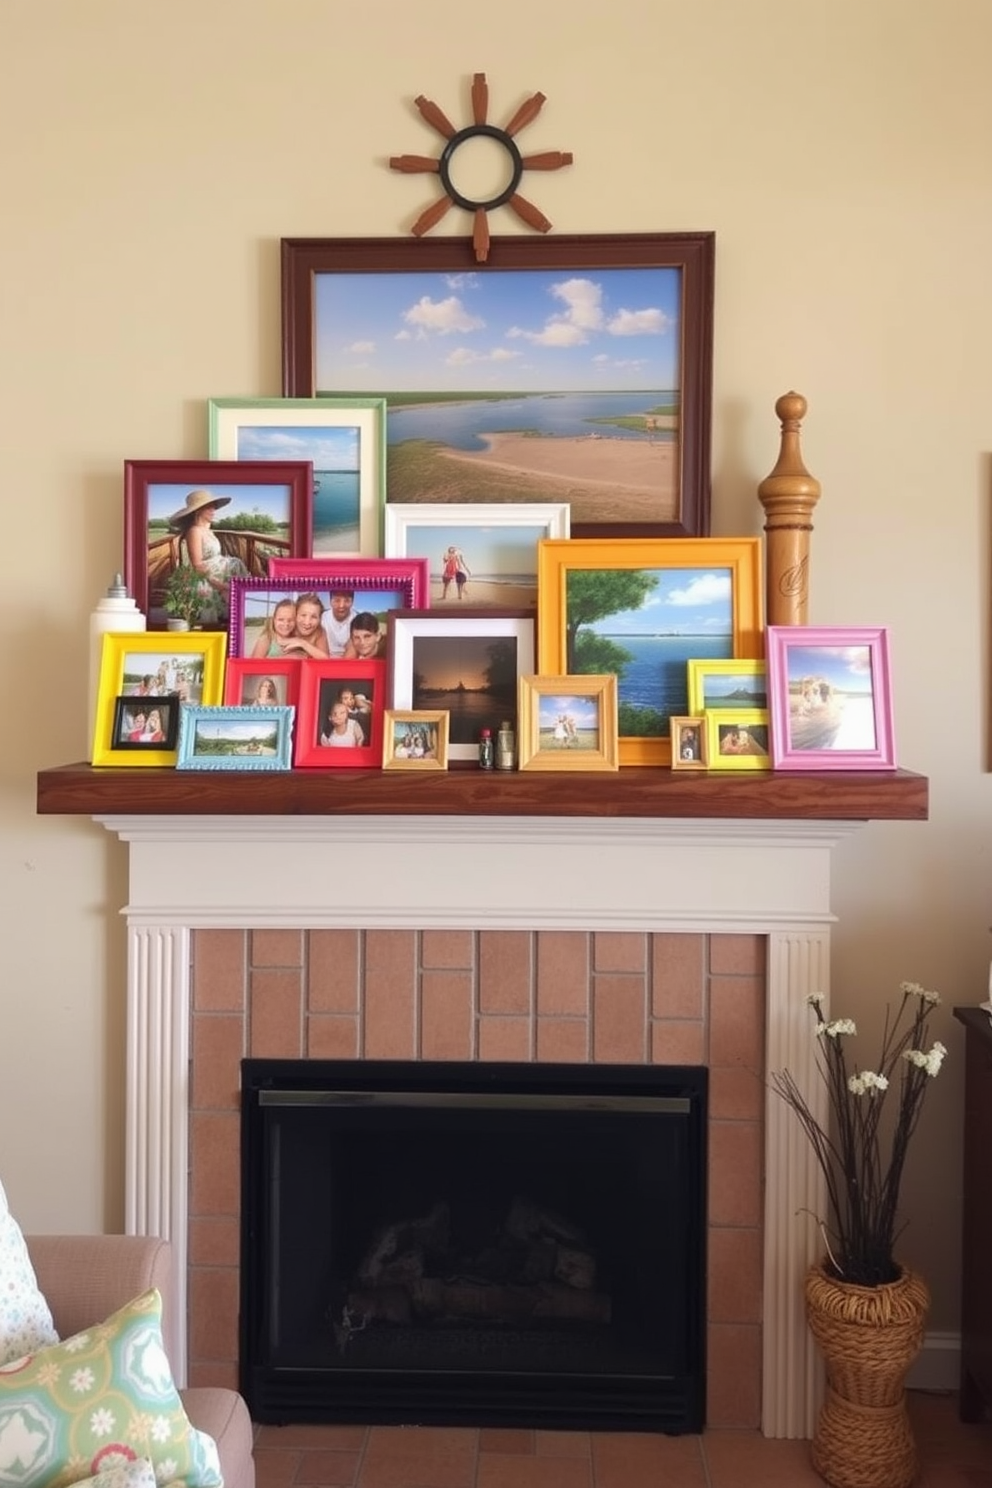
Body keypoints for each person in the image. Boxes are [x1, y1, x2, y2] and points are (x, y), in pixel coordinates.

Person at [167, 489, 249, 626]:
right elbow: (197, 565)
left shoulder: (208, 530)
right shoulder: (194, 531)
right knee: (223, 590)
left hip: (220, 573)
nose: (214, 510)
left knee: (236, 567)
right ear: (198, 510)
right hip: (207, 577)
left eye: (214, 506)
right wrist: (221, 586)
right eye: (209, 507)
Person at [285, 593, 330, 658]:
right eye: (303, 615)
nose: (307, 622)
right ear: (295, 614)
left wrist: (303, 643)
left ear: (320, 619)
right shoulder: (287, 626)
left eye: (314, 617)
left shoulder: (319, 630)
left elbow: (325, 659)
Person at [320, 589, 356, 657]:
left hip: (348, 662)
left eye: (347, 601)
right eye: (337, 600)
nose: (341, 605)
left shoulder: (357, 619)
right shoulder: (322, 618)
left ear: (352, 602)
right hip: (325, 658)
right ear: (330, 601)